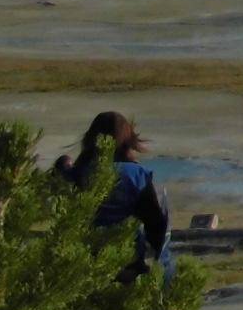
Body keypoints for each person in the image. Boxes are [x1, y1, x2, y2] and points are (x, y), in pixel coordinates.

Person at [72, 111, 174, 283]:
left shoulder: (78, 173)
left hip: (83, 263)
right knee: (167, 263)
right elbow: (155, 226)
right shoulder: (136, 175)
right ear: (128, 141)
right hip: (128, 264)